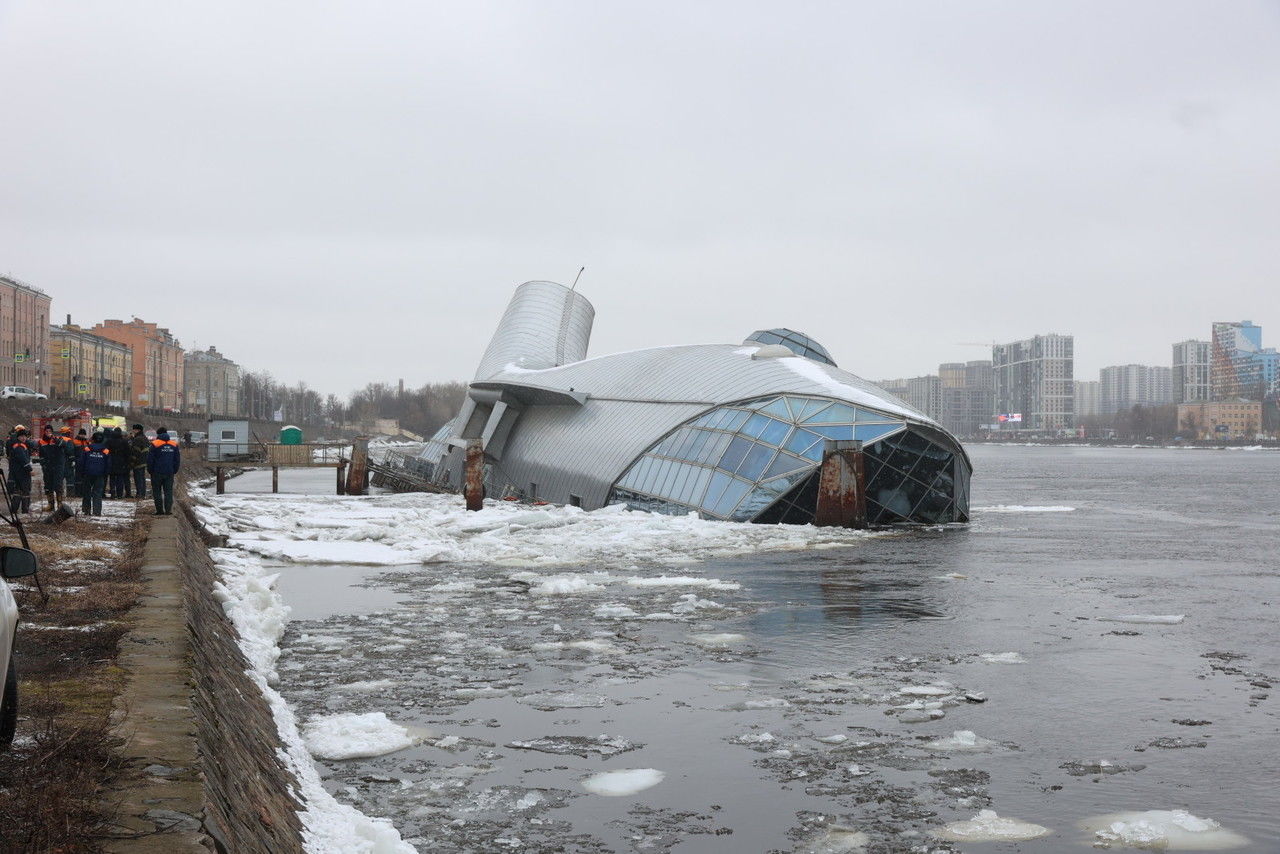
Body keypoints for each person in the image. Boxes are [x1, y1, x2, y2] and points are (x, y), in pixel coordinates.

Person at [147, 427, 181, 515]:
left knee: (157, 491)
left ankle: (159, 511)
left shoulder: (154, 444)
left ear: (158, 434)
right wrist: (174, 470)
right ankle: (168, 510)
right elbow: (177, 460)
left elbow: (150, 459)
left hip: (156, 472)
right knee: (168, 491)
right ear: (167, 433)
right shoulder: (174, 444)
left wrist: (150, 470)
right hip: (169, 472)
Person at [35, 425, 67, 512]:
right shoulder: (42, 442)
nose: (48, 432)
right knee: (48, 485)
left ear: (52, 431)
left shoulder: (57, 439)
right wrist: (43, 464)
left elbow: (64, 444)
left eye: (49, 431)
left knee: (58, 485)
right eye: (46, 431)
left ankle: (60, 504)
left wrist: (54, 439)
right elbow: (41, 456)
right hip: (48, 467)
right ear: (44, 432)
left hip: (58, 466)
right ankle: (51, 505)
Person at [80, 432, 110, 516]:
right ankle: (97, 512)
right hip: (100, 474)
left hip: (88, 473)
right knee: (97, 493)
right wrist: (105, 474)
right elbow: (108, 464)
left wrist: (82, 473)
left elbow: (82, 462)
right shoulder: (106, 450)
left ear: (92, 439)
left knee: (87, 492)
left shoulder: (87, 449)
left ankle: (86, 510)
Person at [6, 427, 33, 515]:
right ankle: (25, 510)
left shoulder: (18, 445)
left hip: (17, 472)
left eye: (25, 436)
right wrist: (29, 469)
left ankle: (13, 510)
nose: (24, 438)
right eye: (21, 436)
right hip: (22, 473)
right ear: (18, 437)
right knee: (25, 491)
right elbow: (23, 459)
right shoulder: (19, 446)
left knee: (18, 491)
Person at [129, 424, 149, 500]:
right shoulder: (144, 438)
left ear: (138, 430)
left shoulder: (137, 439)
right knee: (142, 478)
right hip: (143, 461)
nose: (133, 431)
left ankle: (140, 494)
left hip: (138, 462)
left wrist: (132, 462)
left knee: (138, 478)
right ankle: (142, 493)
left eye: (134, 429)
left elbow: (135, 452)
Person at [70, 428, 90, 498]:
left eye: (84, 434)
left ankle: (82, 492)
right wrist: (73, 460)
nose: (83, 436)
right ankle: (77, 492)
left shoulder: (87, 442)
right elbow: (72, 451)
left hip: (85, 462)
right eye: (81, 434)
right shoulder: (74, 441)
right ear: (79, 434)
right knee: (77, 478)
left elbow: (88, 452)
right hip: (78, 461)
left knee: (84, 478)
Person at [60, 426, 78, 499]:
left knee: (60, 478)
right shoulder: (69, 440)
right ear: (67, 433)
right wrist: (73, 460)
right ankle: (70, 494)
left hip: (60, 462)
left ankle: (60, 494)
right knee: (70, 479)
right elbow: (70, 451)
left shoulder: (59, 439)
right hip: (67, 462)